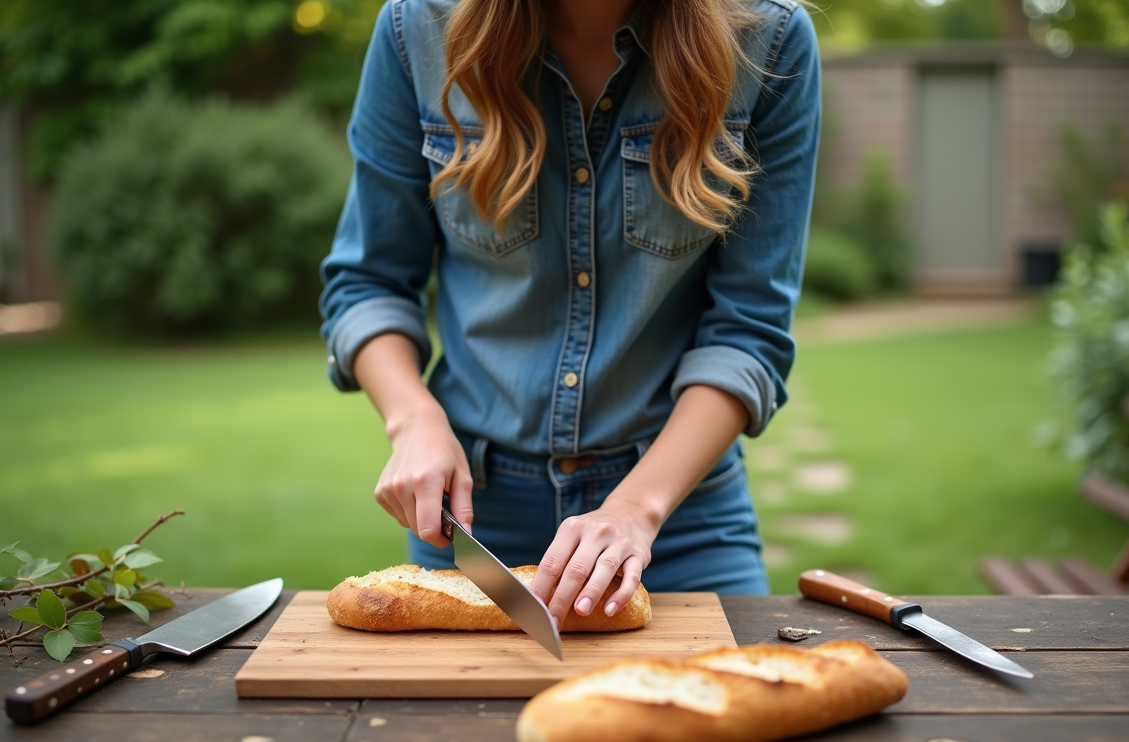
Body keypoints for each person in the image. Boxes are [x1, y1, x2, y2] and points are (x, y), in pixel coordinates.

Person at [319, 0, 820, 628]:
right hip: (475, 516)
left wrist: (637, 508)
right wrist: (412, 419)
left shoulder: (769, 41)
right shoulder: (415, 29)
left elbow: (749, 330)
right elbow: (367, 282)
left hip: (680, 518)